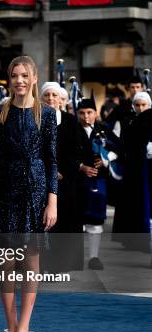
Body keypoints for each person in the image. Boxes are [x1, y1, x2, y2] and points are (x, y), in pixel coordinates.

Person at [0, 56, 58, 332]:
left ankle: (24, 327)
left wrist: (52, 200)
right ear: (9, 79)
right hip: (3, 192)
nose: (20, 80)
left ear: (34, 78)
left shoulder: (46, 114)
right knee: (5, 264)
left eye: (25, 75)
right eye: (15, 75)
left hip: (36, 193)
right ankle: (10, 325)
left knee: (30, 263)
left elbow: (51, 160)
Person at [41, 82, 84, 271]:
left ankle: (63, 263)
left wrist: (63, 171)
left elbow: (77, 150)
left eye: (54, 95)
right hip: (42, 178)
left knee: (66, 220)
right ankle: (43, 263)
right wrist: (48, 170)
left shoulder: (71, 121)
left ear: (61, 99)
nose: (51, 98)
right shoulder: (36, 119)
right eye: (47, 95)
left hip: (66, 180)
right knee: (44, 222)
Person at [75, 98, 118, 271]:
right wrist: (80, 166)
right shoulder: (72, 129)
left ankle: (94, 257)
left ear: (96, 113)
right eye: (82, 113)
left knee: (95, 218)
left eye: (89, 112)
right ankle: (72, 256)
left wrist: (106, 160)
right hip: (76, 180)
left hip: (97, 181)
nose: (86, 116)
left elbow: (119, 149)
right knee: (75, 218)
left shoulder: (104, 129)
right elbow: (63, 152)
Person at [112, 93, 151, 255]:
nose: (140, 108)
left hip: (149, 166)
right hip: (135, 168)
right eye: (137, 105)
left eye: (144, 105)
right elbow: (123, 143)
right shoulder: (127, 121)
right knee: (135, 204)